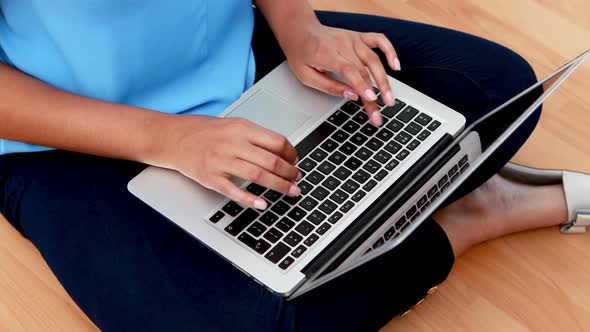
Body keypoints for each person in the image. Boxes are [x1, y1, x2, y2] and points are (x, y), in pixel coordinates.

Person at [0, 1, 584, 331]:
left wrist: (300, 29)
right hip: (63, 138)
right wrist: (170, 137)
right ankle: (469, 218)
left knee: (499, 89)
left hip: (234, 53)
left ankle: (407, 212)